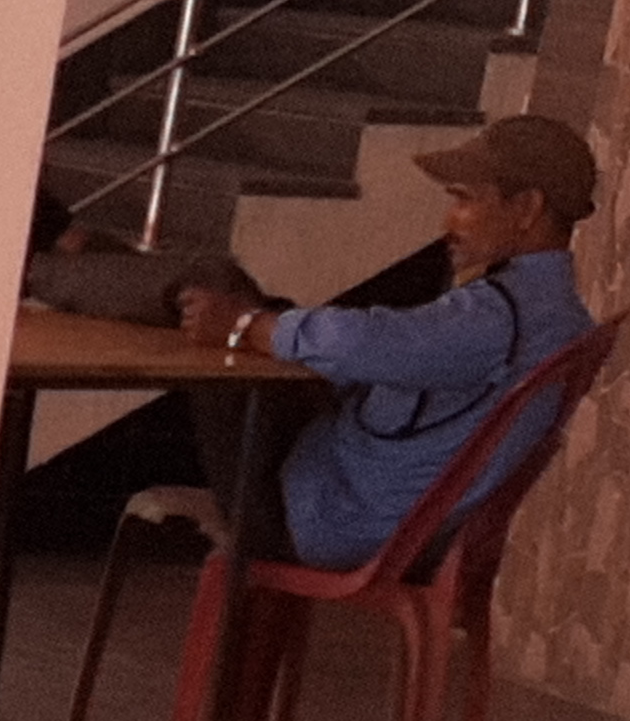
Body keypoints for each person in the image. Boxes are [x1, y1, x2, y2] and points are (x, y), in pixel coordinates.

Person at [170, 115, 600, 568]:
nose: (448, 221)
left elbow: (360, 343)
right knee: (244, 302)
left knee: (214, 295)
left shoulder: (496, 318)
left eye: (464, 199)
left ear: (528, 208)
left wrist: (245, 327)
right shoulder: (561, 314)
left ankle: (103, 276)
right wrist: (253, 319)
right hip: (378, 509)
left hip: (323, 519)